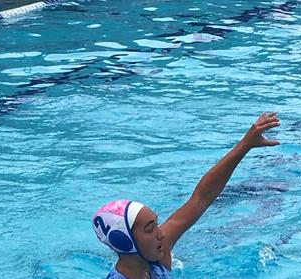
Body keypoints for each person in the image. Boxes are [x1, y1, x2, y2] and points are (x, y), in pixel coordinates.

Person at [92, 112, 281, 279]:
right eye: (150, 229)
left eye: (156, 224)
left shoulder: (156, 258)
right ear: (123, 241)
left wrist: (245, 145)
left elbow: (201, 198)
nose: (160, 233)